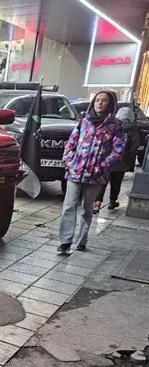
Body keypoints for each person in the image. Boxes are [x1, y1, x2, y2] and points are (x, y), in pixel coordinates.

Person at [58, 91, 126, 254]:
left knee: (87, 209)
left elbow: (118, 150)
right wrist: (69, 161)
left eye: (104, 100)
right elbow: (71, 143)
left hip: (96, 175)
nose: (100, 103)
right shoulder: (84, 122)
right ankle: (65, 242)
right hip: (75, 171)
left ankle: (81, 240)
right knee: (69, 206)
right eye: (97, 100)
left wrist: (102, 167)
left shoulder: (115, 126)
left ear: (110, 104)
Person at [92, 106, 139, 213]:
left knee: (102, 182)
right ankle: (112, 202)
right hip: (122, 162)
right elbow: (134, 148)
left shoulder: (112, 125)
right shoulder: (133, 129)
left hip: (108, 160)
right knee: (116, 183)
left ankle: (97, 204)